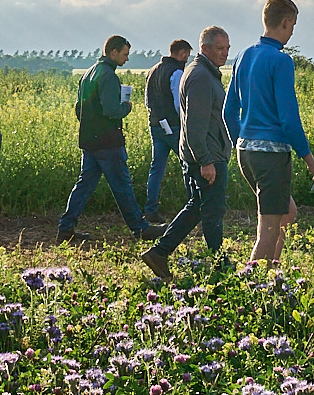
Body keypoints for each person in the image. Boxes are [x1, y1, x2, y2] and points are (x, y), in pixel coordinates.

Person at [224, 0, 314, 266]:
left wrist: (243, 140)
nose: (292, 31)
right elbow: (289, 120)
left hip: (245, 151)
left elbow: (228, 112)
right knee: (267, 229)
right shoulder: (281, 61)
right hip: (271, 155)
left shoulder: (243, 55)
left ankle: (272, 275)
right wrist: (311, 163)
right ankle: (248, 289)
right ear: (286, 22)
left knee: (287, 213)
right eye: (293, 25)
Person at [139, 26, 231, 281]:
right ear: (205, 49)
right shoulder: (201, 76)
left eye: (227, 48)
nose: (225, 53)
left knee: (199, 207)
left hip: (205, 152)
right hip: (207, 154)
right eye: (219, 48)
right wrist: (206, 161)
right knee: (212, 212)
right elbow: (195, 123)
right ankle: (221, 268)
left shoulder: (200, 71)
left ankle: (160, 252)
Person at [59, 36, 159, 244]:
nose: (127, 59)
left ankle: (65, 229)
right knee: (122, 186)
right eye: (124, 54)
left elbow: (80, 108)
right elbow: (112, 110)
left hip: (89, 140)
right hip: (108, 142)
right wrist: (126, 107)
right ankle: (140, 229)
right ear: (113, 52)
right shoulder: (108, 76)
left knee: (84, 185)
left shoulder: (89, 73)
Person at [143, 38, 191, 216]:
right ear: (181, 53)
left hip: (156, 124)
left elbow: (147, 100)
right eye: (186, 54)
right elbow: (179, 104)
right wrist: (185, 122)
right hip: (174, 125)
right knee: (188, 164)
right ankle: (194, 204)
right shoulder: (176, 72)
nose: (187, 58)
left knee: (156, 168)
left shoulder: (153, 70)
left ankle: (150, 209)